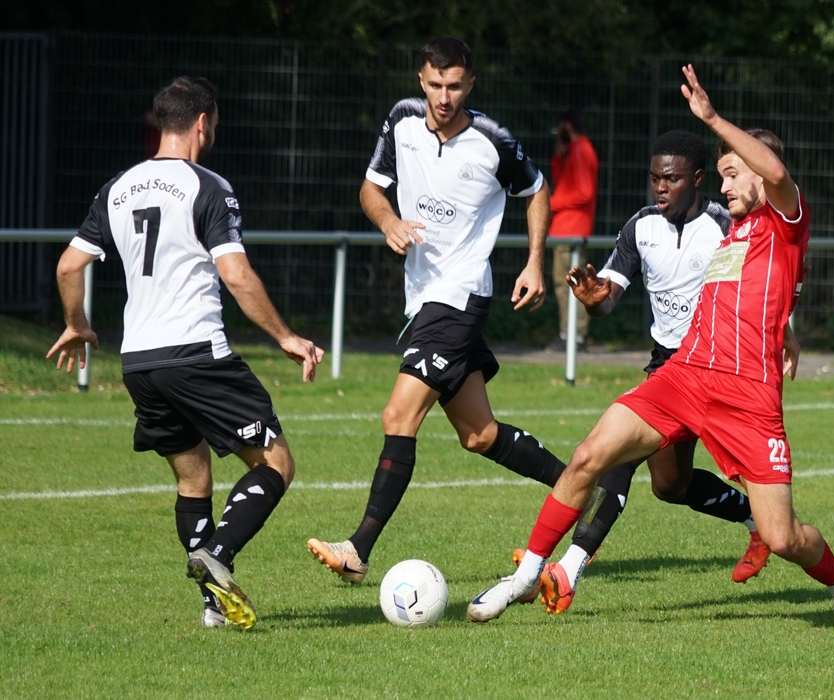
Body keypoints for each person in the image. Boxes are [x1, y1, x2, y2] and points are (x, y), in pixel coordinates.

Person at [467, 64, 834, 629]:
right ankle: (527, 576)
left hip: (748, 397)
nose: (724, 187)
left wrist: (712, 119)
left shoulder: (785, 224)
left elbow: (777, 176)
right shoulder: (730, 233)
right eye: (722, 176)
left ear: (759, 174)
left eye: (733, 175)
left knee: (782, 537)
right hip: (684, 376)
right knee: (589, 457)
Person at [47, 76, 323, 630]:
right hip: (196, 352)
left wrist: (77, 324)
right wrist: (285, 336)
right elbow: (235, 274)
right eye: (213, 124)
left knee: (193, 480)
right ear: (202, 123)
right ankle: (218, 554)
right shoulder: (209, 187)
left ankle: (213, 607)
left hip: (139, 363)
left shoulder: (117, 188)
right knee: (276, 464)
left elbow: (68, 266)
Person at [306, 37, 567, 585]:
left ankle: (357, 549)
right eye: (434, 85)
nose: (444, 97)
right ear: (420, 81)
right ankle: (580, 489)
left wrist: (534, 262)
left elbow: (537, 191)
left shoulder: (492, 139)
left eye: (454, 86)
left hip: (460, 295)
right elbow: (371, 189)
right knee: (479, 434)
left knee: (398, 416)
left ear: (470, 84)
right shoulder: (401, 119)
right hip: (423, 296)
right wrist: (388, 221)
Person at [518, 129, 783, 615]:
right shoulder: (640, 227)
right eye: (655, 178)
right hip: (668, 366)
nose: (660, 187)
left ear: (697, 179)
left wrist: (785, 331)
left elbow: (770, 277)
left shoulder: (726, 224)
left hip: (719, 369)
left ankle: (566, 570)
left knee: (617, 458)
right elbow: (608, 297)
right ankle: (756, 522)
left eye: (672, 179)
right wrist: (594, 300)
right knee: (670, 486)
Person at [548, 108, 599, 350]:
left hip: (570, 230)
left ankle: (574, 336)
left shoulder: (581, 150)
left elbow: (584, 192)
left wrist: (552, 204)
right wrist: (558, 158)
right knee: (564, 285)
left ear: (567, 126)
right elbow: (564, 184)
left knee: (570, 286)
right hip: (565, 230)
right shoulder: (577, 151)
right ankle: (569, 334)